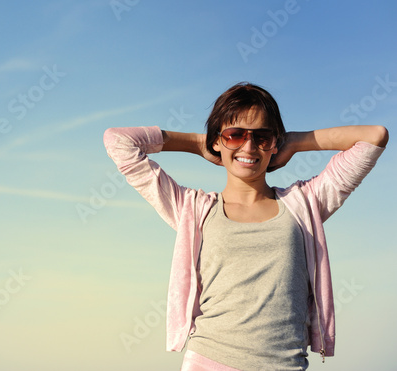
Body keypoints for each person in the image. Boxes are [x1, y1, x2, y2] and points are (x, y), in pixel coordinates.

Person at [103, 82, 388, 370]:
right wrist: (197, 143)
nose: (249, 146)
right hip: (209, 360)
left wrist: (295, 142)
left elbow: (374, 137)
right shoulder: (193, 209)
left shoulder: (305, 204)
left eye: (262, 137)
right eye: (235, 134)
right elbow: (118, 141)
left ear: (275, 143)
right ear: (217, 140)